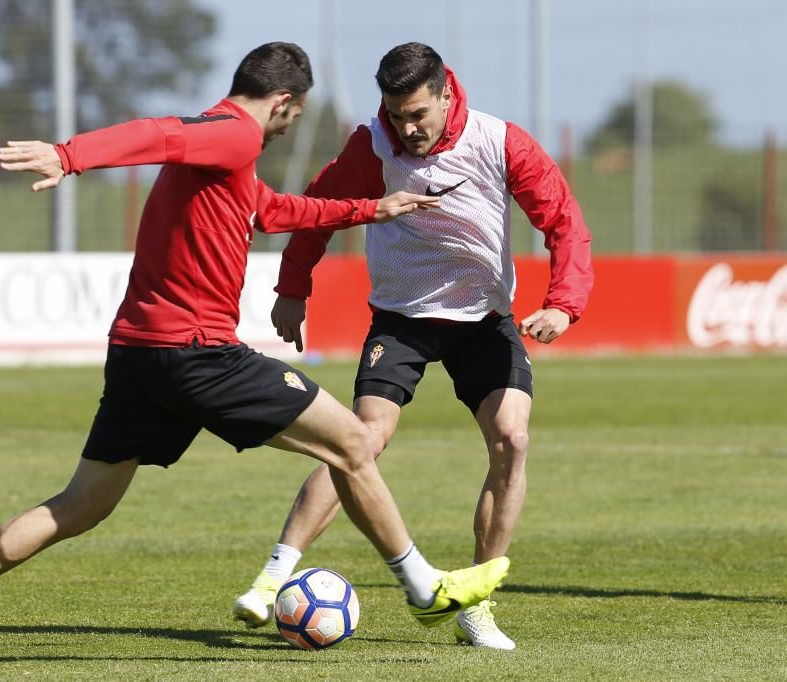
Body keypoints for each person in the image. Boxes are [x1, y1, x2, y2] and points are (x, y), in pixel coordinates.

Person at [0, 42, 510, 665]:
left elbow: (273, 210)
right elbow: (158, 132)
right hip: (198, 353)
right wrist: (69, 156)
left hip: (136, 355)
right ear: (284, 103)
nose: (290, 128)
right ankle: (425, 589)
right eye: (295, 116)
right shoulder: (231, 134)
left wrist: (372, 207)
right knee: (353, 441)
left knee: (80, 504)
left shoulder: (227, 158)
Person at [232, 42, 593, 651]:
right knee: (360, 439)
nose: (408, 128)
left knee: (513, 437)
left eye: (418, 114)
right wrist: (293, 287)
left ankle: (476, 607)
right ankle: (273, 578)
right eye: (397, 114)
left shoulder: (501, 142)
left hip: (484, 318)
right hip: (402, 318)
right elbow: (320, 210)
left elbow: (563, 221)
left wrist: (563, 301)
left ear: (446, 94)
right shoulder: (372, 144)